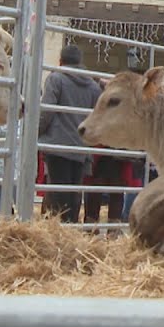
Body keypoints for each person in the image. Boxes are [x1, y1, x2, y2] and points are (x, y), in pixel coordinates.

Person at [37, 45, 102, 222]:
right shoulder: (93, 86)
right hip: (81, 148)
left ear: (61, 61)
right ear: (79, 62)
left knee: (57, 191)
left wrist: (36, 133)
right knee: (74, 192)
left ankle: (58, 230)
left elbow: (46, 111)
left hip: (58, 145)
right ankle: (71, 228)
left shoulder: (55, 78)